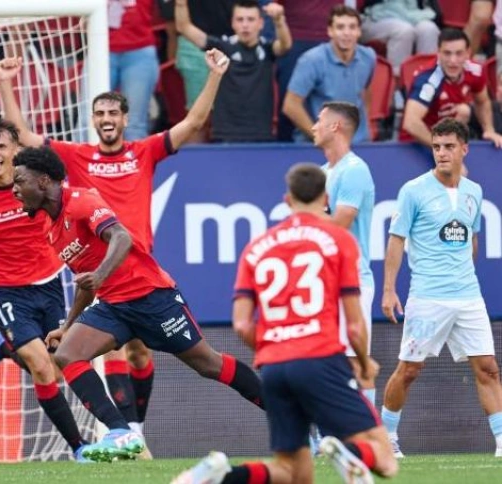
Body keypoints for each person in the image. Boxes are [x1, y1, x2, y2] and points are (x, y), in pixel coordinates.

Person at [0, 47, 229, 446]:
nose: (106, 120)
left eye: (113, 114)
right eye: (99, 114)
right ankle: (124, 432)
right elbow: (23, 138)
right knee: (107, 352)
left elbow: (194, 121)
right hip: (101, 273)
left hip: (138, 265)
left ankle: (134, 426)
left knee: (141, 354)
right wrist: (6, 82)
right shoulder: (76, 156)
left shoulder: (145, 151)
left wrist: (215, 75)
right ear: (93, 120)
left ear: (125, 119)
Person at [11, 146, 264, 462]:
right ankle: (121, 432)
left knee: (208, 364)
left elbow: (121, 238)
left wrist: (101, 275)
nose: (14, 189)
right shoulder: (51, 231)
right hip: (113, 307)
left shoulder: (82, 201)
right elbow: (87, 286)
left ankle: (288, 413)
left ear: (44, 181)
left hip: (151, 297)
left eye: (19, 181)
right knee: (68, 354)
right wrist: (68, 325)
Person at [172, 163, 397, 484]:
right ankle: (352, 454)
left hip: (275, 368)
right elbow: (355, 323)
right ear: (326, 199)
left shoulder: (257, 247)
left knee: (293, 473)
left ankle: (220, 477)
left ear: (287, 199)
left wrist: (271, 348)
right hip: (322, 359)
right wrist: (363, 362)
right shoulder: (339, 240)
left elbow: (241, 324)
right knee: (385, 458)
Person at [0, 119, 89, 461]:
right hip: (6, 291)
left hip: (49, 284)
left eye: (1, 146)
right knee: (41, 367)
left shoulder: (36, 182)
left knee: (58, 364)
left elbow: (64, 218)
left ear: (16, 150)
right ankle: (79, 448)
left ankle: (1, 347)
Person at [380, 118, 502, 459]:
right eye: (436, 147)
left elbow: (471, 240)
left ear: (464, 149)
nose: (441, 153)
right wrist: (389, 290)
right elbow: (396, 241)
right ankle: (386, 436)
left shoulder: (474, 191)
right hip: (427, 297)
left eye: (448, 146)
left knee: (488, 368)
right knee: (409, 370)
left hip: (467, 296)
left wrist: (462, 273)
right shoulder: (413, 190)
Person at [314, 101, 377, 406]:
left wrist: (303, 213)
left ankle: (372, 436)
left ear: (335, 126)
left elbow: (340, 223)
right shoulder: (322, 172)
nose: (314, 126)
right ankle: (326, 435)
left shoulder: (355, 170)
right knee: (322, 361)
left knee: (355, 361)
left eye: (319, 120)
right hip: (325, 282)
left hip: (354, 280)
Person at [175, 0, 292, 142]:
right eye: (240, 19)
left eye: (250, 19)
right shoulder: (222, 48)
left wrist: (279, 21)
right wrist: (180, 4)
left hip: (261, 135)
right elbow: (184, 28)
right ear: (233, 23)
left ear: (261, 23)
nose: (245, 25)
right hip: (225, 135)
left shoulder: (267, 50)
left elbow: (285, 45)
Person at [283, 5, 376, 143]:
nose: (346, 33)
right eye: (340, 27)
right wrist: (318, 136)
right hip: (317, 144)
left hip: (357, 142)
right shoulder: (311, 60)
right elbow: (290, 105)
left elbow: (366, 91)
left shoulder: (369, 57)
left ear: (359, 32)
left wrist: (365, 126)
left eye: (352, 27)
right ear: (330, 31)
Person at [400, 28, 502, 148]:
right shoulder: (428, 80)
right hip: (417, 142)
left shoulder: (476, 71)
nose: (453, 61)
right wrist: (440, 148)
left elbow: (483, 101)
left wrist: (489, 130)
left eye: (459, 53)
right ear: (438, 52)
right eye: (447, 53)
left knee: (464, 111)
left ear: (467, 53)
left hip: (446, 138)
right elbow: (411, 123)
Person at [108, 0, 160, 140]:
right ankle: (82, 161)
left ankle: (137, 162)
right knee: (87, 120)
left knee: (134, 124)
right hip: (101, 48)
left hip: (139, 50)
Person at [360, 0, 440, 76]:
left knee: (429, 29)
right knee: (403, 31)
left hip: (413, 13)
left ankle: (427, 80)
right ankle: (397, 83)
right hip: (377, 16)